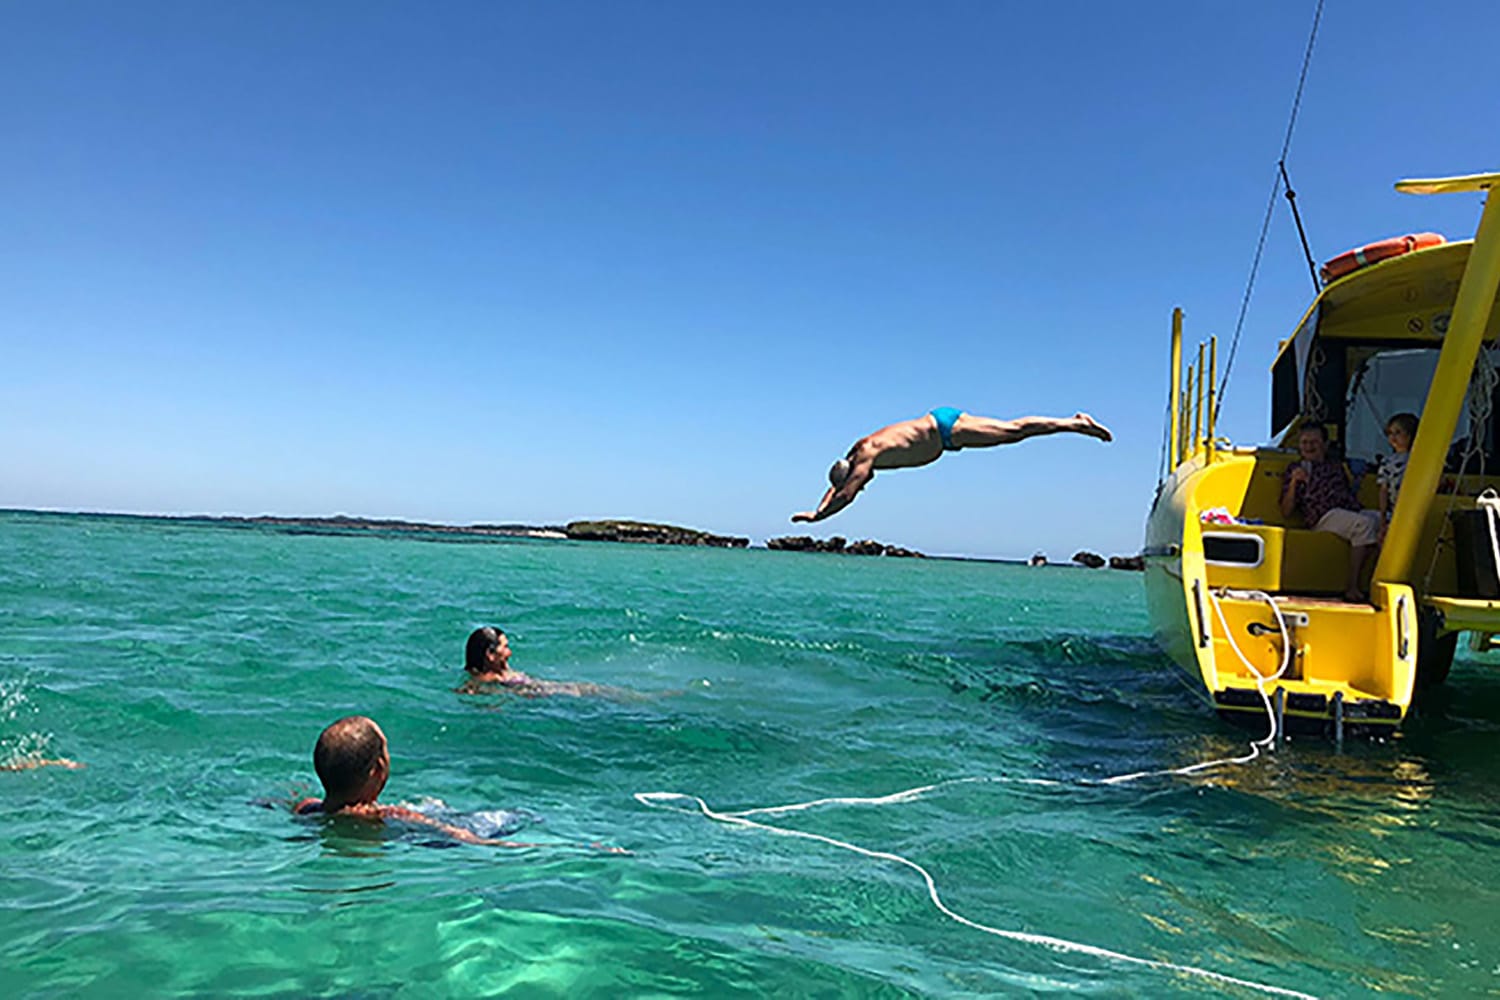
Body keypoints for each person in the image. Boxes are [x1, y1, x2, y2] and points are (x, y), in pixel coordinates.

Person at [792, 409, 1112, 523]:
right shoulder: (856, 450)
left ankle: (1075, 424)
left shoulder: (864, 459)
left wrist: (820, 519)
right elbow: (837, 488)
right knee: (1011, 434)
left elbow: (845, 495)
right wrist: (816, 509)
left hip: (946, 430)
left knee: (1013, 431)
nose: (866, 481)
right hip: (944, 428)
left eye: (862, 480)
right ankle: (1074, 424)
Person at [293, 715, 529, 846]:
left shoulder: (307, 808)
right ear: (379, 769)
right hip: (383, 861)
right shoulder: (389, 815)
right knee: (513, 818)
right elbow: (455, 834)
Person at [1280, 423, 1382, 602]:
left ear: (1325, 444)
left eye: (1314, 442)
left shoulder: (1336, 466)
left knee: (1385, 521)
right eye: (1304, 443)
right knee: (1362, 525)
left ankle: (1379, 580)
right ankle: (1352, 586)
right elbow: (1286, 511)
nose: (1309, 447)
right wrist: (1294, 483)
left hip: (1348, 510)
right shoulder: (1295, 469)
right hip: (1322, 516)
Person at [461, 626, 621, 698]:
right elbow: (477, 686)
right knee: (599, 693)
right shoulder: (491, 677)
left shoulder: (498, 669)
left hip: (550, 689)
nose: (510, 652)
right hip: (553, 695)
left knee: (598, 691)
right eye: (505, 647)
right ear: (490, 654)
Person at [1378, 412, 1419, 536]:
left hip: (1412, 512)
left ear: (1410, 434)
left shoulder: (1419, 460)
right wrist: (1383, 516)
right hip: (1394, 513)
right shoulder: (1387, 461)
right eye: (1390, 433)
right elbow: (1383, 490)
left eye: (1398, 432)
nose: (1393, 437)